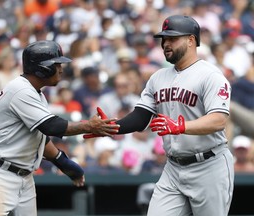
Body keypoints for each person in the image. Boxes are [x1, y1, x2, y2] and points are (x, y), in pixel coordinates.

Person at [85, 15, 234, 216]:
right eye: (164, 39)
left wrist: (181, 127)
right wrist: (113, 127)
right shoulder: (158, 78)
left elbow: (218, 120)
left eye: (173, 38)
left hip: (209, 165)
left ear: (191, 40)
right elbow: (141, 116)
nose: (166, 44)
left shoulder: (211, 76)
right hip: (173, 167)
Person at [0, 40, 119, 216]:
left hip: (23, 176)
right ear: (42, 68)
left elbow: (39, 135)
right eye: (56, 64)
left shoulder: (36, 93)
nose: (61, 69)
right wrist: (89, 125)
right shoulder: (20, 90)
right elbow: (51, 126)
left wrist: (62, 161)